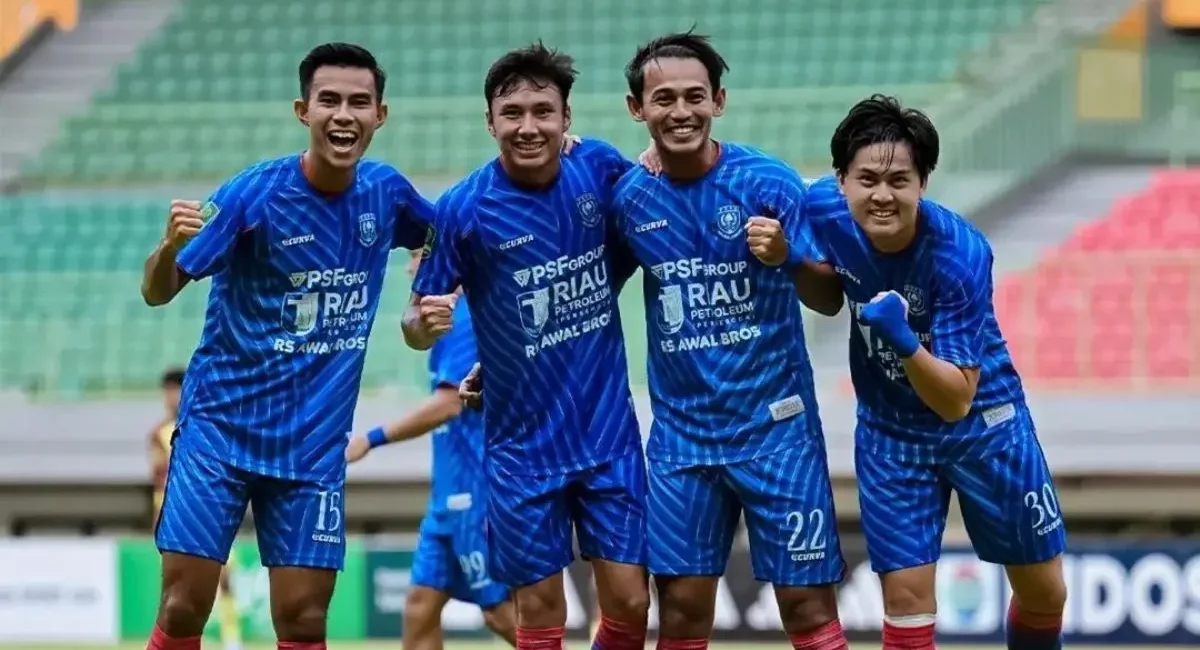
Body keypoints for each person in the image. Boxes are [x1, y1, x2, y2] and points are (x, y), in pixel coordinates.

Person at [138, 42, 433, 650]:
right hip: (220, 433)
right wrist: (168, 247)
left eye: (359, 102)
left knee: (303, 618)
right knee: (184, 605)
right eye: (329, 101)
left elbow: (456, 231)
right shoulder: (253, 194)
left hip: (313, 447)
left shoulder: (388, 194)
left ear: (381, 114)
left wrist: (562, 159)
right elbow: (157, 292)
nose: (344, 115)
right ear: (304, 111)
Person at [402, 43, 649, 650]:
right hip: (519, 453)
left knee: (630, 604)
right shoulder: (462, 209)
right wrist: (423, 325)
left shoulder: (599, 166)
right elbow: (413, 320)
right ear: (490, 122)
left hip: (606, 436)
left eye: (543, 111)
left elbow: (634, 239)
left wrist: (653, 159)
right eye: (512, 113)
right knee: (538, 613)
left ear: (567, 117)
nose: (528, 126)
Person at [804, 95, 1068, 650]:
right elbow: (759, 186)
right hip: (892, 436)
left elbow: (955, 401)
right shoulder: (822, 207)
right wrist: (658, 154)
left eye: (899, 180)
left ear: (922, 183)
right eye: (867, 179)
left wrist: (901, 339)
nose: (882, 194)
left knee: (1045, 594)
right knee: (905, 606)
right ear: (841, 180)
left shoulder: (959, 254)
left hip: (984, 426)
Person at [613, 32, 849, 650]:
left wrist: (787, 256)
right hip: (682, 441)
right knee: (682, 610)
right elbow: (590, 286)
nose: (681, 111)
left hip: (778, 433)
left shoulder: (769, 182)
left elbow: (829, 297)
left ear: (718, 100)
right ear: (638, 108)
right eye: (663, 98)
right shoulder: (631, 197)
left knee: (806, 606)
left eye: (695, 96)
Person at [345, 251, 516, 649]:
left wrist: (370, 439)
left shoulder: (464, 316)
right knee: (419, 608)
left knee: (499, 612)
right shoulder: (441, 326)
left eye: (417, 257)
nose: (409, 268)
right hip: (446, 499)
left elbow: (450, 403)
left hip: (475, 493)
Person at [149, 369, 244, 650]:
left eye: (176, 389)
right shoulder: (158, 434)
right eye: (168, 391)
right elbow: (158, 480)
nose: (171, 397)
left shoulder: (205, 426)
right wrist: (157, 516)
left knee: (224, 578)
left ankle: (231, 638)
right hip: (174, 515)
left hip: (209, 510)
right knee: (176, 587)